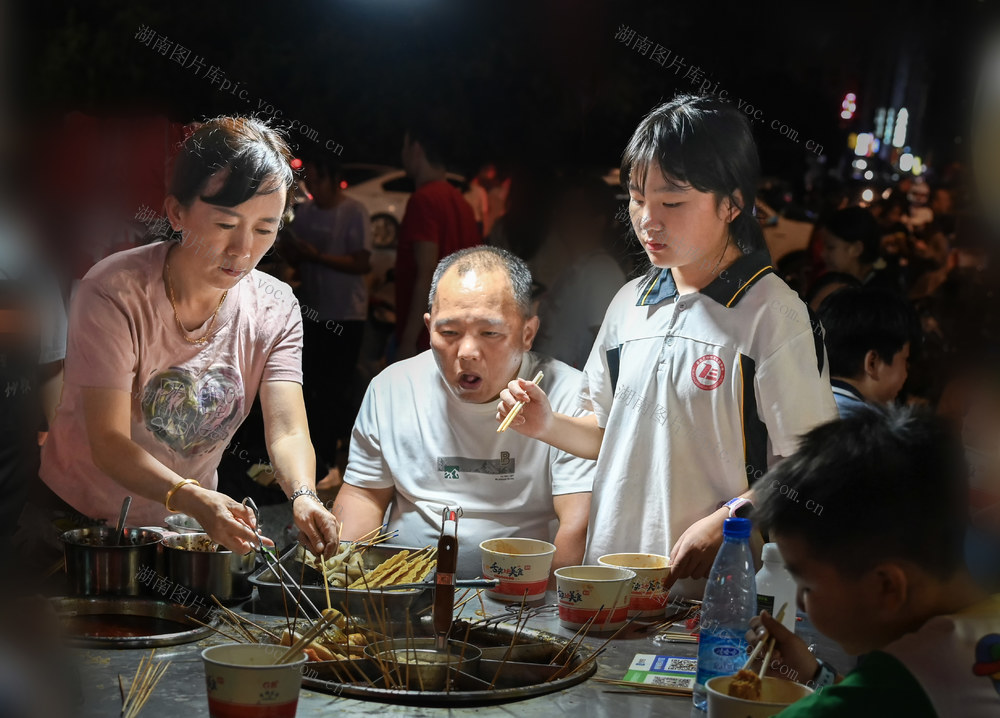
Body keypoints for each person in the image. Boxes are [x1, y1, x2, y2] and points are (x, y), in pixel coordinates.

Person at [497, 95, 837, 598]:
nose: (647, 219)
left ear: (732, 202)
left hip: (715, 596)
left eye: (672, 202)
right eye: (637, 198)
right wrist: (548, 424)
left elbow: (813, 465)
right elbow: (608, 431)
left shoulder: (773, 314)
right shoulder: (629, 304)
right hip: (609, 580)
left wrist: (729, 518)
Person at [32, 117, 340, 560]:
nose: (243, 250)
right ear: (176, 211)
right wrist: (194, 497)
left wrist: (304, 495)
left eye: (264, 229)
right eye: (225, 224)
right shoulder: (114, 290)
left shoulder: (277, 307)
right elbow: (109, 441)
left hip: (184, 531)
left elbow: (288, 429)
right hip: (77, 526)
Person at [334, 246, 594, 577]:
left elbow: (578, 523)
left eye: (490, 333)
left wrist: (547, 610)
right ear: (429, 328)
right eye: (449, 333)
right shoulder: (393, 388)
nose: (467, 352)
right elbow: (364, 495)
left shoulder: (569, 395)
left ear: (527, 333)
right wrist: (345, 579)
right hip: (408, 591)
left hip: (520, 596)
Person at [746, 405, 1000, 717]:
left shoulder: (906, 682)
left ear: (887, 587)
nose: (799, 602)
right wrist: (814, 676)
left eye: (807, 586)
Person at [284, 155, 372, 475]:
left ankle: (344, 458)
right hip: (312, 312)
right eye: (310, 181)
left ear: (334, 178)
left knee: (338, 388)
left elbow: (362, 262)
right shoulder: (304, 213)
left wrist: (317, 256)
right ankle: (316, 459)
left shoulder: (354, 212)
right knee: (310, 387)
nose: (313, 188)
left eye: (318, 180)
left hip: (347, 314)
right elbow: (293, 257)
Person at [394, 114, 481, 362]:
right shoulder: (461, 203)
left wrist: (408, 342)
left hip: (426, 340)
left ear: (416, 148)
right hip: (456, 337)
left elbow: (426, 271)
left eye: (404, 145)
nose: (402, 154)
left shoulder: (423, 200)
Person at [533, 175, 627, 369]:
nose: (560, 217)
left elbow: (610, 350)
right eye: (561, 209)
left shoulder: (602, 272)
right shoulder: (573, 269)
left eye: (573, 210)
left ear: (598, 221)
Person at [817, 287, 919, 417]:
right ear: (872, 362)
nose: (906, 374)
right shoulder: (872, 432)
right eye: (905, 360)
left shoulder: (794, 403)